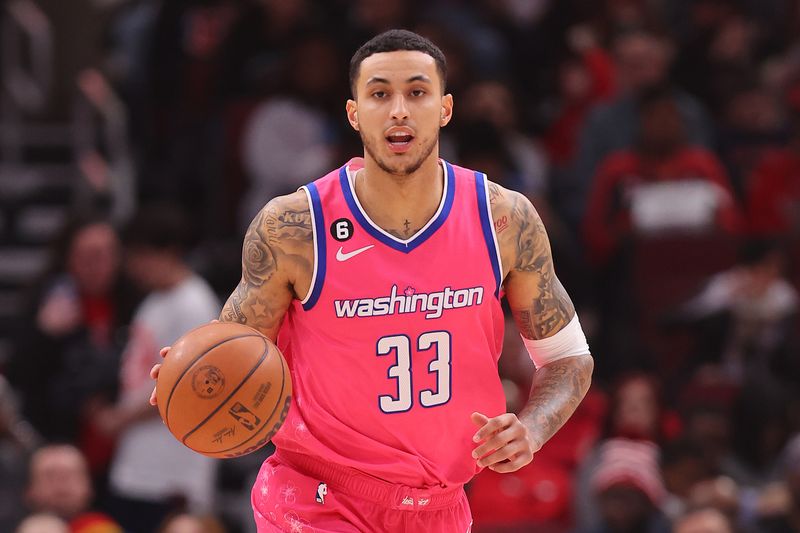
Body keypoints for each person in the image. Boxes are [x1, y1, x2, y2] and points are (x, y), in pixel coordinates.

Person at [152, 29, 594, 532]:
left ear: (445, 108)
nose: (399, 109)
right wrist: (195, 371)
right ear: (354, 113)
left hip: (440, 505)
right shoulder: (295, 228)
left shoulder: (503, 219)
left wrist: (533, 429)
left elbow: (567, 358)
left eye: (417, 92)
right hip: (317, 498)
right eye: (380, 93)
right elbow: (237, 352)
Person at [97, 206, 219, 533]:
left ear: (168, 252)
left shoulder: (193, 303)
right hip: (138, 458)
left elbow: (188, 386)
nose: (133, 268)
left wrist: (118, 418)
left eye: (139, 257)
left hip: (172, 467)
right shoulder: (153, 302)